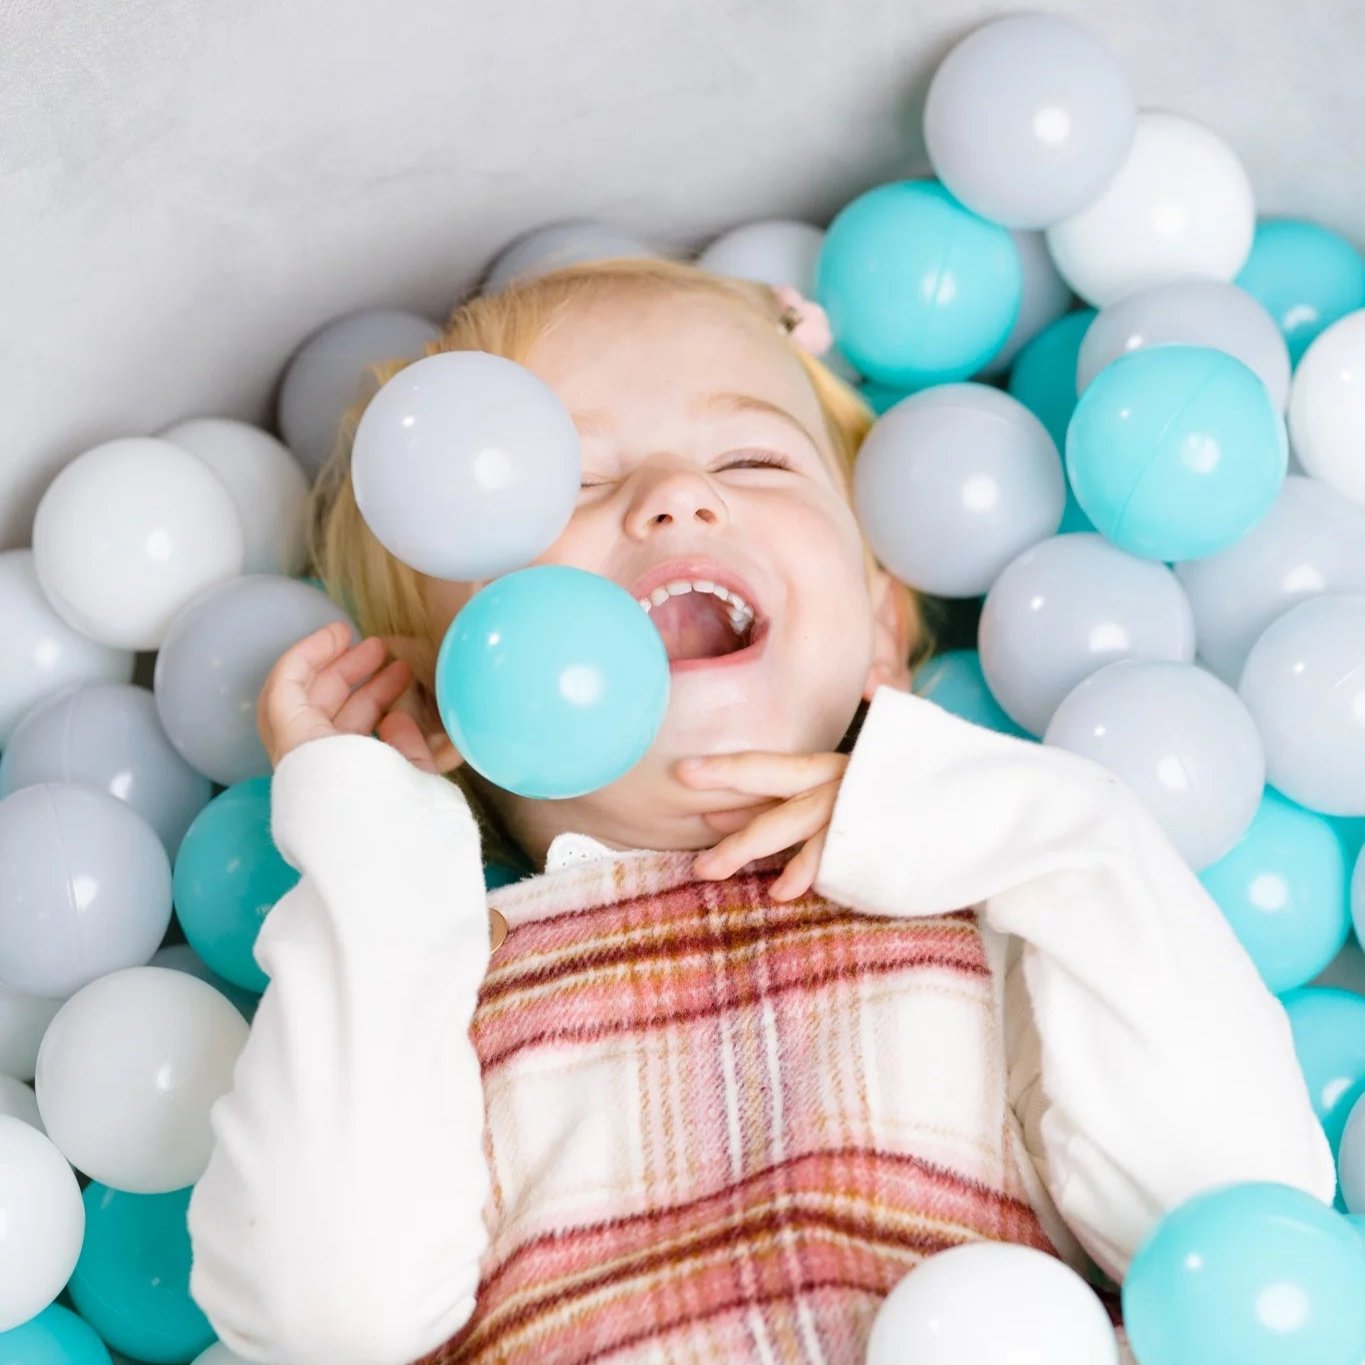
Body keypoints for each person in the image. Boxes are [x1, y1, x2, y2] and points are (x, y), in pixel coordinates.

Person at [185, 257, 1335, 1365]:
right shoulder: (439, 995)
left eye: (754, 460)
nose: (677, 496)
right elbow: (324, 1317)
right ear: (445, 699)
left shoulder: (995, 910)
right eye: (571, 482)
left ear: (884, 628)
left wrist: (1047, 834)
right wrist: (375, 858)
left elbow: (1227, 1214)